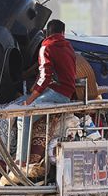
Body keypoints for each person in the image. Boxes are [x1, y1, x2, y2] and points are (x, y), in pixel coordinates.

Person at [13, 19, 76, 160]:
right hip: (66, 94)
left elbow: (45, 77)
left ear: (46, 32)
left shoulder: (46, 47)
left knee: (23, 115)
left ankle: (21, 160)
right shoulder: (69, 47)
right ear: (63, 33)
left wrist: (30, 100)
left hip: (56, 93)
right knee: (22, 103)